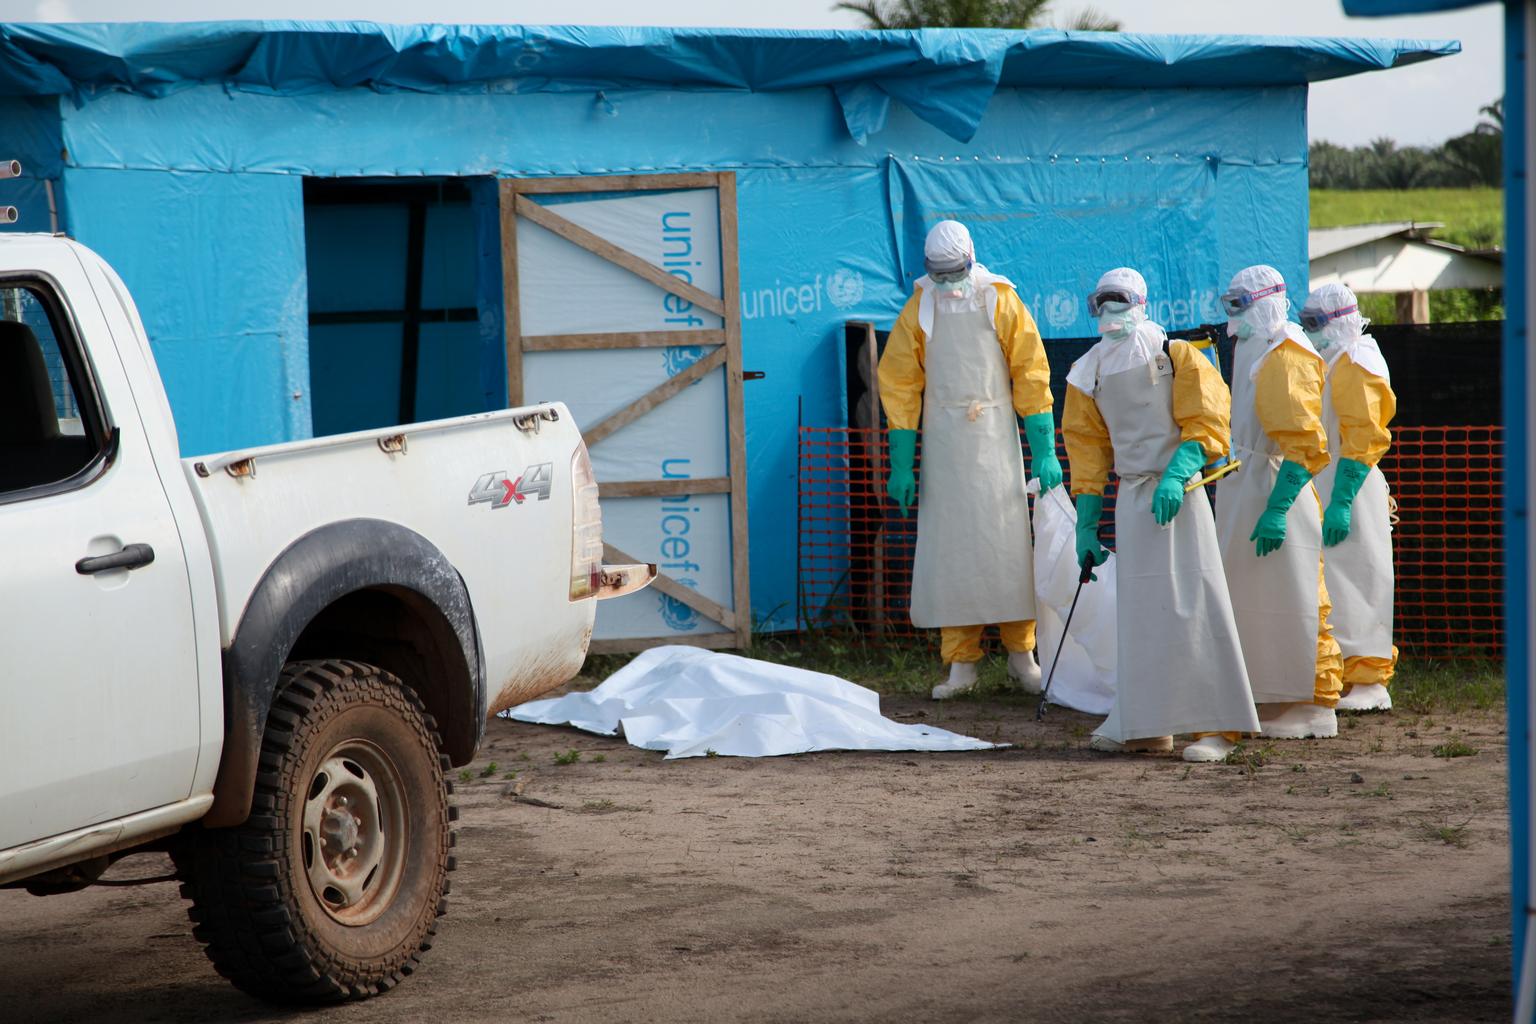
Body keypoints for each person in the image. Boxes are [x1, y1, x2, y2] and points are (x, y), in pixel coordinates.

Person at [1063, 268, 1260, 762]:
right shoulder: (1087, 374)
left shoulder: (1177, 356)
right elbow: (1088, 455)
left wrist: (1178, 474)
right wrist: (1086, 525)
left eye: (1119, 301)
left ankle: (1218, 725)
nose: (1111, 311)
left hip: (1181, 495)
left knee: (1195, 604)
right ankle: (1147, 724)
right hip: (1133, 501)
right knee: (1142, 616)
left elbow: (1208, 421)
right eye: (1102, 303)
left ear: (1142, 303)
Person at [878, 220, 1060, 700]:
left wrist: (1043, 450)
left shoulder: (999, 299)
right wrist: (901, 464)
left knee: (1007, 550)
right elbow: (898, 383)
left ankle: (1023, 656)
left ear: (971, 261)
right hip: (944, 447)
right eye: (937, 273)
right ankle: (961, 663)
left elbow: (1030, 370)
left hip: (996, 441)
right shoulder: (920, 307)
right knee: (951, 552)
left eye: (953, 271)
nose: (947, 282)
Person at [1213, 265, 1344, 739]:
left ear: (1266, 302)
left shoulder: (1287, 353)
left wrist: (1278, 508)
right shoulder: (1254, 345)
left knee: (1300, 598)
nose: (1234, 317)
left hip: (1273, 487)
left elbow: (1306, 444)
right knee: (1256, 598)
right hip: (1245, 483)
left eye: (1241, 304)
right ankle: (1273, 695)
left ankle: (1316, 704)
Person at [1302, 283, 1399, 711]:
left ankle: (1371, 681)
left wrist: (1342, 500)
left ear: (1338, 318)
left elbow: (1365, 434)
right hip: (1330, 481)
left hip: (1352, 485)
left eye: (1315, 323)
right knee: (1336, 580)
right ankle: (1342, 672)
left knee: (1361, 578)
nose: (1310, 331)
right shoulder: (1333, 359)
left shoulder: (1358, 360)